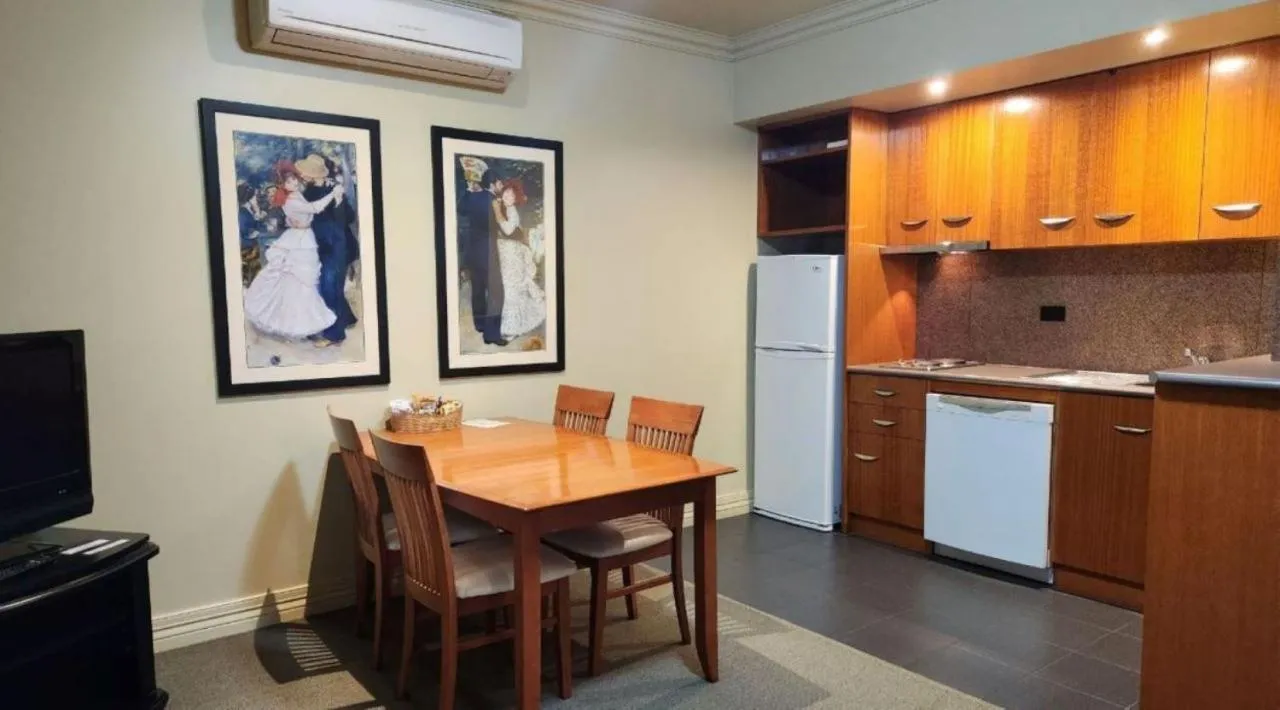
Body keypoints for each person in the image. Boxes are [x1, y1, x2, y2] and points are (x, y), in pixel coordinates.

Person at [242, 160, 343, 343]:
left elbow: (308, 213)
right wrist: (332, 194)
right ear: (282, 185)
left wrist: (297, 220)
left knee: (306, 282)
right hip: (299, 241)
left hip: (304, 238)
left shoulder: (296, 194)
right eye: (288, 182)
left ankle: (307, 323)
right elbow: (314, 208)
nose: (294, 183)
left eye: (294, 180)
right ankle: (299, 323)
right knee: (299, 282)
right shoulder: (289, 199)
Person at [299, 154, 359, 347]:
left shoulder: (335, 189)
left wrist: (340, 200)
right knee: (325, 286)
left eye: (305, 172)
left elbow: (348, 218)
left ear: (313, 174)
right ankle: (346, 319)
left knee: (329, 287)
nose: (301, 174)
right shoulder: (307, 192)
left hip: (337, 245)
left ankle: (334, 334)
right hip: (319, 245)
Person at [457, 156, 506, 345]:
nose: (502, 185)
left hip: (473, 252)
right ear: (494, 184)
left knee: (477, 290)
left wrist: (470, 191)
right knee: (495, 293)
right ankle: (492, 335)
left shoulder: (474, 198)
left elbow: (461, 209)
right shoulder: (495, 202)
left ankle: (480, 325)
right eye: (500, 182)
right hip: (490, 252)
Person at [491, 179, 546, 339]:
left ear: (516, 199)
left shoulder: (512, 211)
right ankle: (510, 325)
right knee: (508, 289)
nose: (508, 196)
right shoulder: (506, 207)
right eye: (506, 193)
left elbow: (508, 230)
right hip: (506, 252)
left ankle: (513, 328)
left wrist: (496, 210)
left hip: (512, 254)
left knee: (511, 290)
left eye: (512, 195)